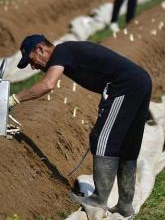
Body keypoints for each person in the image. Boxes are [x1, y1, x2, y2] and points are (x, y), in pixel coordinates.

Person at [8, 34, 152, 218]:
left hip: (125, 85)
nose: (33, 66)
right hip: (140, 81)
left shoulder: (61, 51)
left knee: (103, 140)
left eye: (31, 60)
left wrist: (13, 99)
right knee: (127, 145)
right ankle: (125, 206)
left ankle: (99, 200)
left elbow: (48, 84)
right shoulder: (67, 51)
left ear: (40, 49)